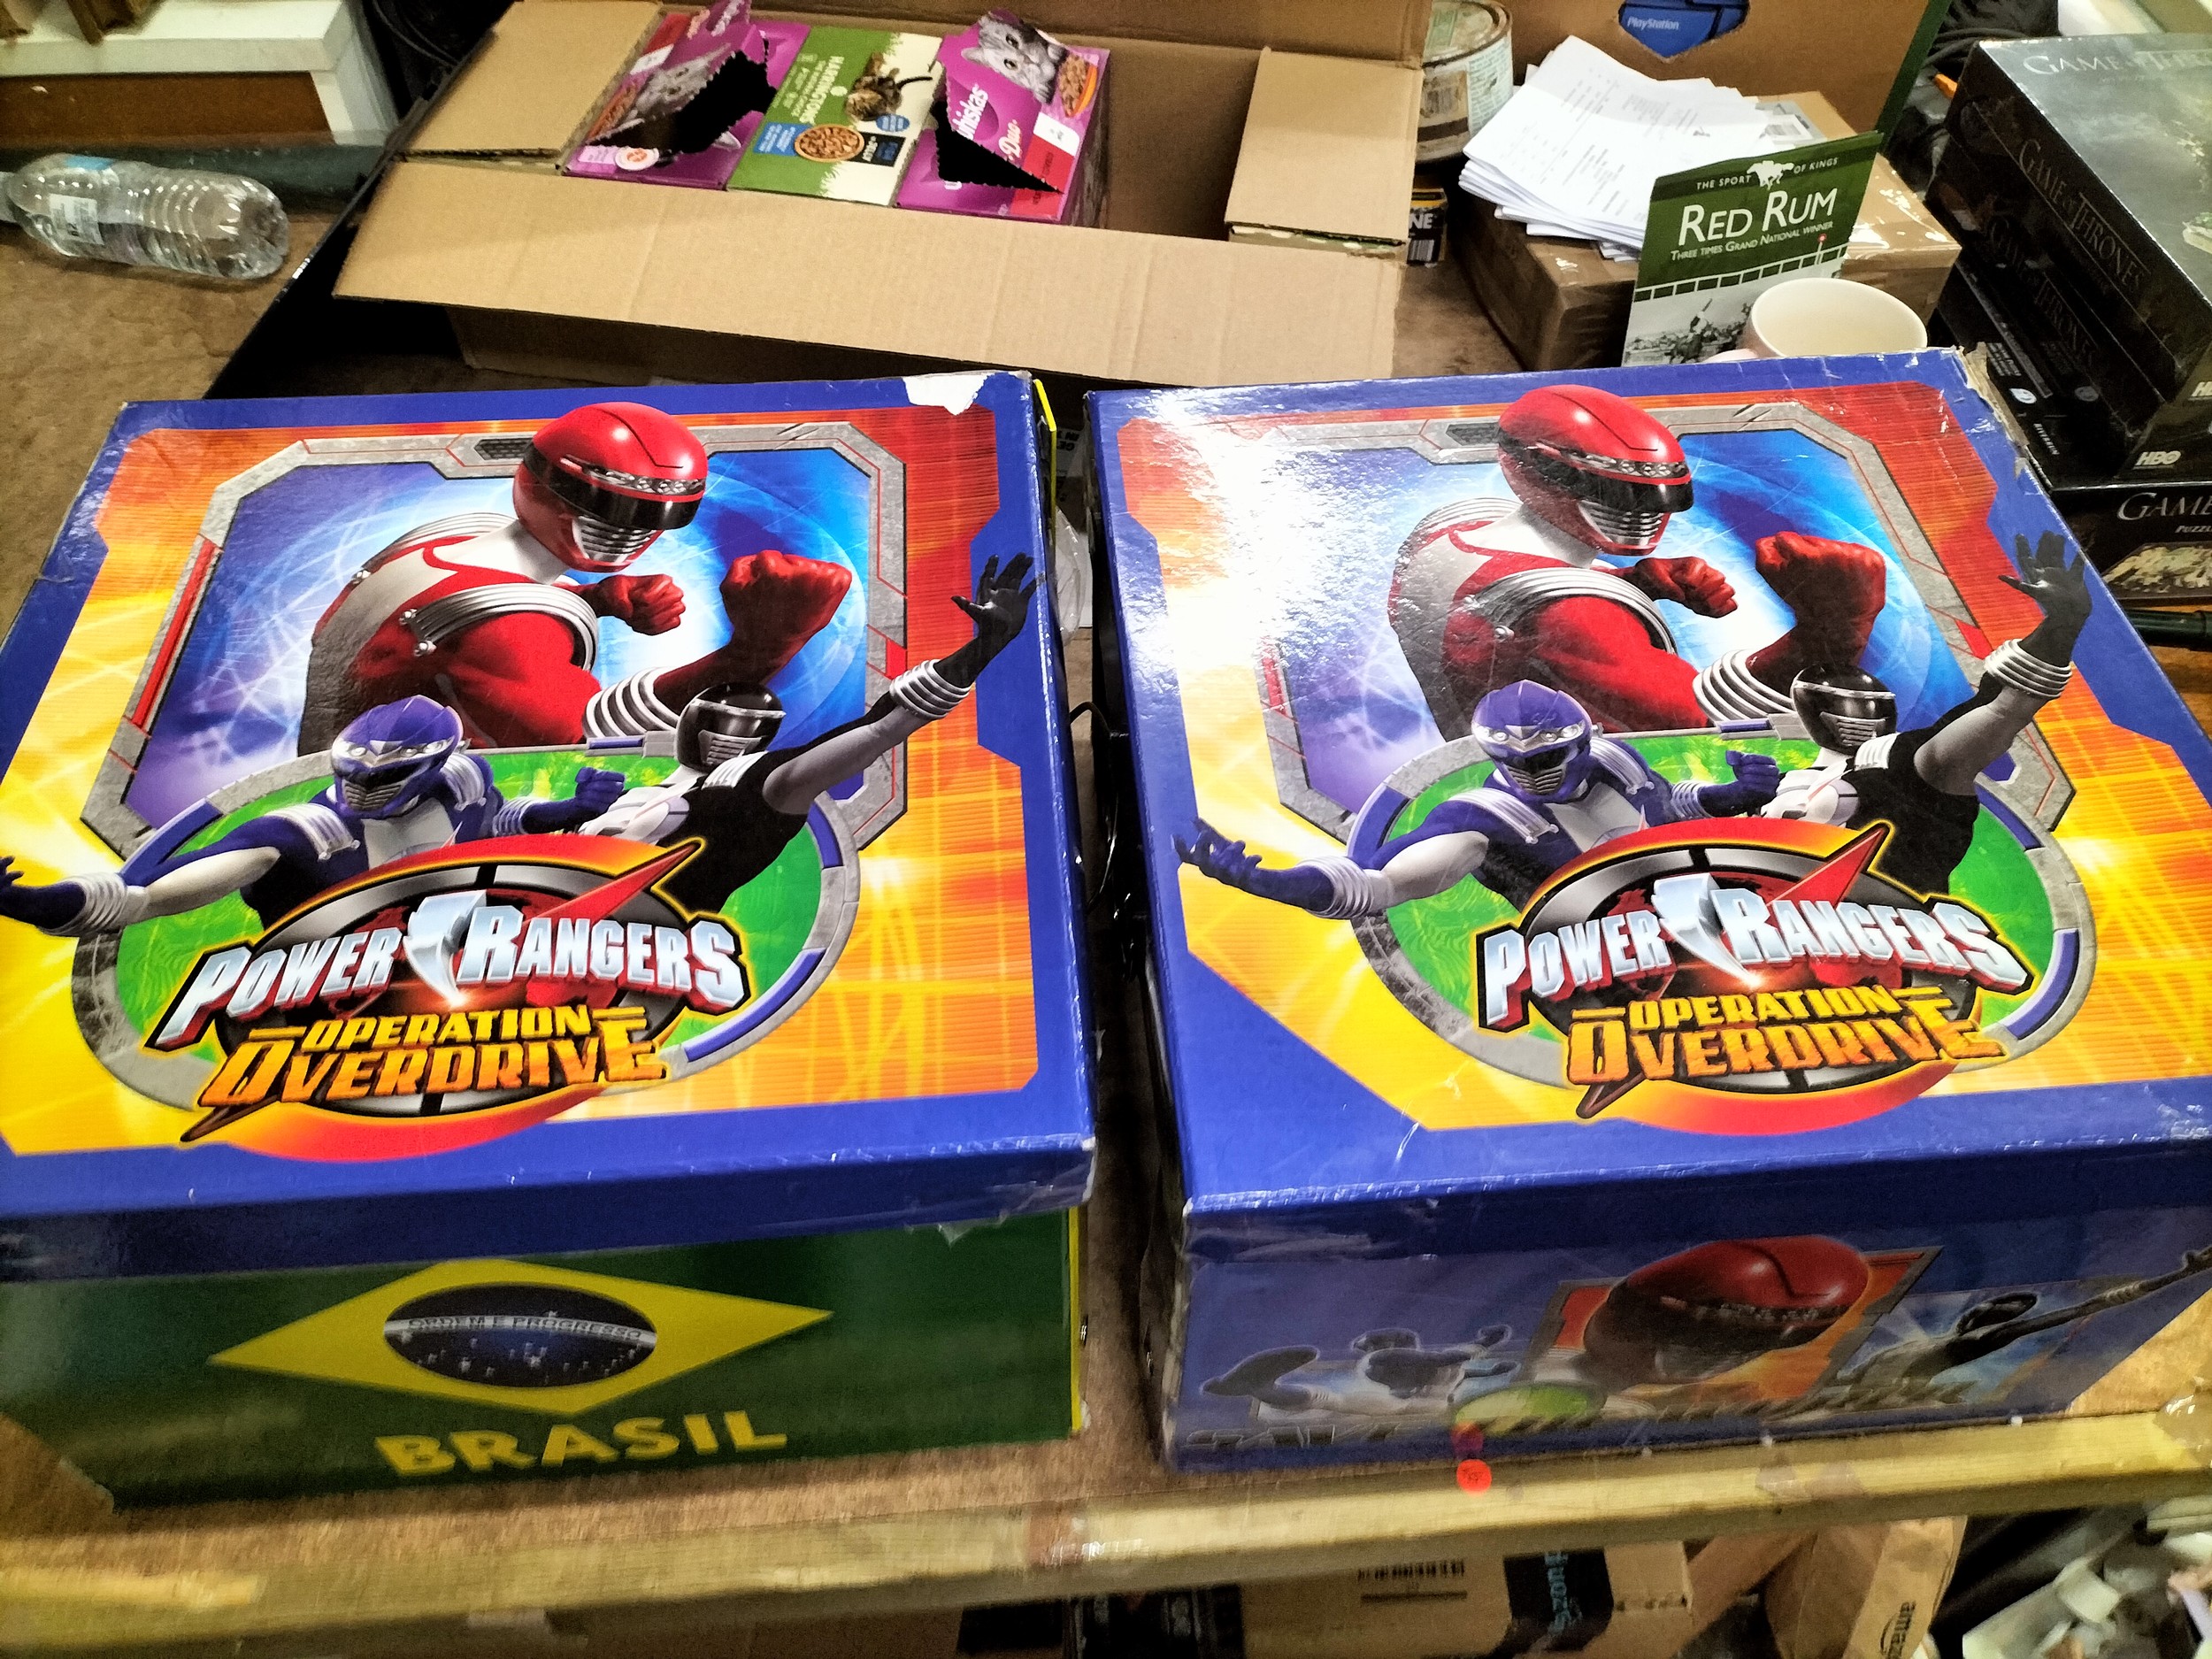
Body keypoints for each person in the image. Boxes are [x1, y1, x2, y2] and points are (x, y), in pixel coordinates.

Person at [300, 401, 851, 752]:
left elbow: (471, 615)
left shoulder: (444, 542)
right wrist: (760, 650)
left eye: (658, 515)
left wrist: (596, 600)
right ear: (543, 483)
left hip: (354, 757)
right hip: (393, 802)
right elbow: (588, 745)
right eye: (606, 507)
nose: (631, 532)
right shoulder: (507, 630)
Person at [1388, 383, 1891, 736]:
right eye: (1614, 493)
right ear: (1532, 467)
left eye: (1657, 498)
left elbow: (1491, 610)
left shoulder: (1445, 535)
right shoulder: (1574, 615)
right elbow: (1713, 733)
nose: (1643, 516)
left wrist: (1630, 583)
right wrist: (1834, 628)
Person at [585, 555, 1036, 913]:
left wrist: (982, 649)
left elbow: (882, 727)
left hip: (644, 947)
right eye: (721, 720)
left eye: (746, 726)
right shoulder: (632, 789)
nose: (727, 736)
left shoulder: (756, 785)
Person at [0, 698, 625, 935]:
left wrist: (568, 810)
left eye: (383, 778)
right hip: (334, 995)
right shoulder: (300, 836)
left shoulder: (463, 778)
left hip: (483, 951)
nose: (364, 790)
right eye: (355, 775)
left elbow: (498, 825)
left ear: (437, 764)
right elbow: (143, 897)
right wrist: (28, 904)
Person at [1178, 680, 1780, 916]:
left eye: (1547, 758)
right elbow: (1378, 884)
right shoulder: (1481, 819)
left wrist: (1734, 794)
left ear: (1582, 741)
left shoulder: (1616, 760)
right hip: (1609, 961)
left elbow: (1671, 808)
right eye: (1515, 762)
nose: (1532, 773)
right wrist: (1273, 884)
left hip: (1720, 905)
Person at [1763, 533, 2091, 895]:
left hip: (1888, 918)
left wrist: (2060, 629)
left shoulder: (1897, 762)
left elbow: (2000, 709)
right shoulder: (1779, 783)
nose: (1858, 716)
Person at [1832, 1244, 2212, 1408]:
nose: (1990, 1309)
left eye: (2001, 1311)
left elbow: (2090, 1306)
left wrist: (2178, 1276)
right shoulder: (1918, 1343)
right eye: (1995, 1305)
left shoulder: (1980, 1340)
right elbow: (1850, 1377)